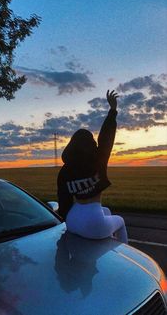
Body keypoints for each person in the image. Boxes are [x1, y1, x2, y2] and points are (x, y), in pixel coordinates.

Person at [57, 90, 128, 243]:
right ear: (91, 145)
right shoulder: (97, 160)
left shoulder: (64, 171)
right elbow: (106, 138)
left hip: (72, 220)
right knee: (120, 221)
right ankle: (124, 258)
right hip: (94, 222)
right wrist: (113, 110)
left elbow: (63, 201)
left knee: (107, 211)